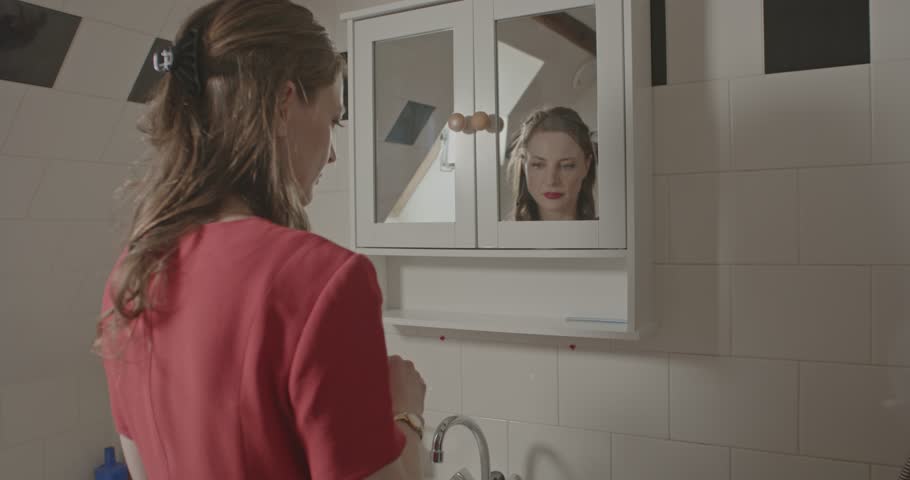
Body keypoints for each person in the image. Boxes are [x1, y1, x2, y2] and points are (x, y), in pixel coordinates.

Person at [93, 1, 426, 478]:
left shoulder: (133, 274)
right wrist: (405, 412)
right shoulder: (327, 282)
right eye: (333, 120)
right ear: (284, 101)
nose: (332, 155)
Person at [505, 106, 598, 221]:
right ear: (524, 165)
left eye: (566, 165)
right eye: (538, 165)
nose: (551, 181)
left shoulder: (613, 234)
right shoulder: (503, 236)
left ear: (587, 165)